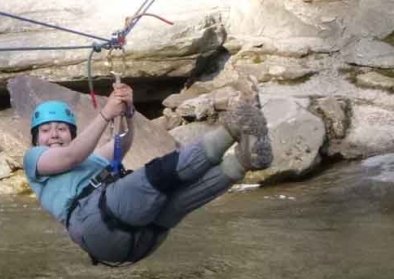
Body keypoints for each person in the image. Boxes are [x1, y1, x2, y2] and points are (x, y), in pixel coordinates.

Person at [23, 78, 272, 265]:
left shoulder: (92, 161)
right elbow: (71, 155)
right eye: (45, 130)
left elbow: (123, 143)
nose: (54, 134)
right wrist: (106, 113)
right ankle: (233, 128)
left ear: (71, 134)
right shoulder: (34, 159)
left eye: (61, 129)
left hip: (134, 240)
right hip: (95, 222)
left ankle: (241, 162)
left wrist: (128, 113)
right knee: (158, 175)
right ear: (36, 139)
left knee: (178, 199)